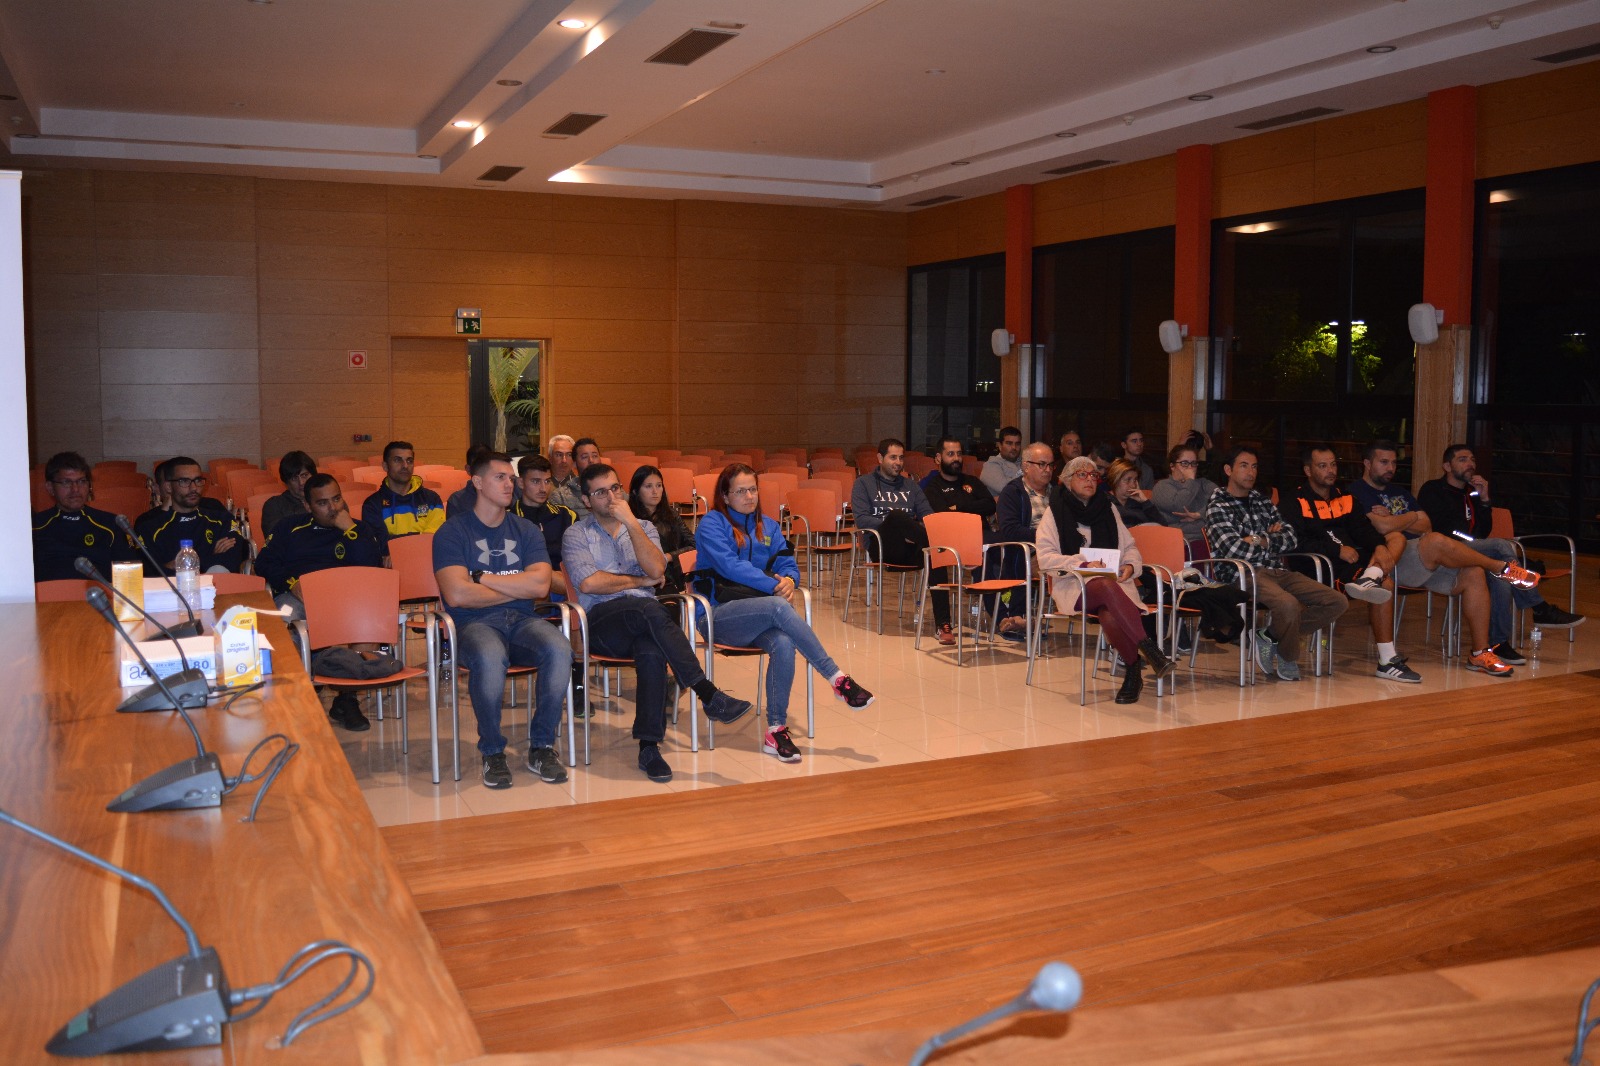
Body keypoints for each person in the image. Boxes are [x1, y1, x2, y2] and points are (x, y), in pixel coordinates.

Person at [563, 463, 752, 783]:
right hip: (602, 623)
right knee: (649, 609)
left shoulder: (644, 527)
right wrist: (638, 581)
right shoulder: (576, 534)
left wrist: (630, 523)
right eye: (600, 492)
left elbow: (657, 571)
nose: (611, 497)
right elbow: (590, 583)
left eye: (615, 488)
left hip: (643, 620)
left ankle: (648, 747)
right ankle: (707, 692)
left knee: (651, 647)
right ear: (586, 500)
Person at [695, 465, 875, 762]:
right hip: (716, 615)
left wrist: (790, 580)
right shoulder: (712, 524)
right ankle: (836, 678)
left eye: (753, 489)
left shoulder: (768, 526)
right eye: (741, 491)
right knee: (779, 605)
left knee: (783, 642)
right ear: (725, 496)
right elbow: (730, 567)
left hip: (759, 614)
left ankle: (775, 730)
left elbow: (787, 563)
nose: (749, 496)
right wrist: (774, 586)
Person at [433, 451, 574, 790]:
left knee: (559, 648)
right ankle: (493, 751)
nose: (510, 484)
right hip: (473, 624)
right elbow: (457, 595)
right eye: (500, 477)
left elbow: (539, 586)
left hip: (523, 620)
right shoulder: (452, 532)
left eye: (511, 478)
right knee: (489, 655)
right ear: (477, 482)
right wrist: (515, 588)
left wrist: (480, 578)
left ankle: (542, 747)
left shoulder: (526, 530)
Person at [1347, 440, 1538, 677]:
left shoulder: (1400, 492)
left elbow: (1426, 524)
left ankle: (1479, 653)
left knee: (1474, 573)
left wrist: (1399, 518)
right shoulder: (1356, 492)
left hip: (1424, 559)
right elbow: (1382, 526)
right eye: (1384, 462)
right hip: (1392, 560)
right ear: (1367, 463)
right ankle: (1500, 567)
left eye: (1394, 463)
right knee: (1435, 541)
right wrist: (1411, 517)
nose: (1391, 468)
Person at [1417, 444, 1584, 651]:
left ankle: (1499, 644)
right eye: (1462, 459)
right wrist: (1471, 539)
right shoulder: (1433, 489)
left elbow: (1483, 530)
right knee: (1500, 545)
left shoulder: (1472, 493)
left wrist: (1484, 500)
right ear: (1447, 466)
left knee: (1502, 577)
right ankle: (1539, 607)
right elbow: (1443, 529)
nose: (1470, 464)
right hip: (1446, 551)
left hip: (1474, 551)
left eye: (1472, 459)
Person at [1203, 446, 1348, 681]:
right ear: (1228, 470)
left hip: (1278, 570)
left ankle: (1269, 635)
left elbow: (1291, 538)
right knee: (1288, 605)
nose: (1251, 472)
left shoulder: (1262, 501)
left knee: (1337, 601)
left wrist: (1257, 539)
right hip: (1244, 574)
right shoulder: (1218, 505)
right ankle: (1288, 656)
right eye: (1244, 466)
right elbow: (1233, 549)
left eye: (1254, 466)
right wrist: (1270, 538)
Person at [253, 474, 386, 730]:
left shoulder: (358, 529)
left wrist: (350, 530)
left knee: (369, 621)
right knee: (283, 617)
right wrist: (292, 582)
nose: (333, 508)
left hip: (347, 601)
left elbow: (373, 568)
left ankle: (346, 699)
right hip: (298, 597)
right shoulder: (289, 528)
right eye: (323, 503)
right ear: (307, 506)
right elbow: (264, 563)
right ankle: (301, 695)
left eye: (337, 499)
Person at [1039, 456, 1175, 704]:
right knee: (1103, 584)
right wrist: (1082, 564)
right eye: (1082, 475)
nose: (1089, 479)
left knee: (1109, 613)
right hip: (1074, 585)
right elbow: (1045, 558)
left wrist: (1130, 566)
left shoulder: (1108, 508)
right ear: (1067, 481)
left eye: (1093, 475)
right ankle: (1149, 648)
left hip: (1115, 587)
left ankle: (1133, 672)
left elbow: (1130, 547)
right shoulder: (1054, 511)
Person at [1280, 445, 1414, 683]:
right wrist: (1337, 550)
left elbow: (1362, 529)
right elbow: (1294, 542)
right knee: (1386, 585)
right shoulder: (1294, 500)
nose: (1330, 470)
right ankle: (1387, 661)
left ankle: (1371, 575)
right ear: (1308, 470)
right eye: (1323, 466)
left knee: (1395, 538)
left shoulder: (1345, 497)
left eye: (1333, 464)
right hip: (1318, 566)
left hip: (1351, 560)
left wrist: (1379, 546)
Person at [918, 436, 996, 645]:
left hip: (980, 537)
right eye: (950, 454)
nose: (956, 459)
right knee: (936, 555)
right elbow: (943, 515)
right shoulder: (932, 487)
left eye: (959, 454)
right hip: (949, 541)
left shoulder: (972, 482)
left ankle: (1004, 615)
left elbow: (990, 505)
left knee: (1004, 548)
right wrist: (972, 509)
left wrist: (959, 508)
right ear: (938, 458)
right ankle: (943, 623)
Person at [31, 451, 138, 581]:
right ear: (50, 487)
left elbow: (130, 578)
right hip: (46, 594)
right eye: (66, 482)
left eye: (81, 481)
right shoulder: (33, 527)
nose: (75, 489)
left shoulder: (111, 525)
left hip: (98, 594)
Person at [134, 457, 244, 574]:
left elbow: (234, 557)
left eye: (197, 480)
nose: (193, 488)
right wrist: (212, 557)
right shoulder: (150, 528)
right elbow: (146, 571)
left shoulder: (222, 520)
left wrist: (180, 565)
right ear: (168, 487)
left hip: (217, 585)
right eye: (184, 481)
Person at [992, 441, 1058, 638]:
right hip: (1030, 550)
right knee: (1032, 558)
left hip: (1059, 549)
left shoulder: (1058, 494)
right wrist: (1044, 537)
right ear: (1026, 466)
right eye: (1042, 464)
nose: (1048, 470)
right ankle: (1017, 618)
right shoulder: (1013, 492)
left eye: (1051, 465)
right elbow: (1010, 530)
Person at [850, 437, 934, 566]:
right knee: (896, 516)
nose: (898, 462)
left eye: (901, 458)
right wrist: (899, 529)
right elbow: (861, 519)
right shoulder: (863, 483)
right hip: (880, 546)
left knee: (933, 555)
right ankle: (939, 544)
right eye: (893, 457)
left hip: (911, 545)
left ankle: (936, 549)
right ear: (880, 458)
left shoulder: (911, 486)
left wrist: (911, 530)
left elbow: (928, 515)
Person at [510, 454, 577, 599]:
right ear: (521, 482)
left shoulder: (566, 515)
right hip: (526, 590)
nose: (543, 488)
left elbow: (577, 562)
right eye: (535, 481)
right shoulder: (509, 519)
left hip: (566, 588)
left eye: (547, 481)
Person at [362, 439, 446, 553]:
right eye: (398, 460)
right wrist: (420, 535)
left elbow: (435, 539)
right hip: (391, 563)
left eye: (409, 461)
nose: (405, 465)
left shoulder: (432, 499)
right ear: (385, 466)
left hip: (426, 559)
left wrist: (395, 544)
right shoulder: (372, 504)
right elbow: (380, 543)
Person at [628, 464, 696, 594]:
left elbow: (694, 544)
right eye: (648, 486)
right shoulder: (630, 518)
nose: (655, 491)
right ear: (635, 491)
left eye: (659, 486)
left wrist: (668, 557)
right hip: (643, 578)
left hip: (674, 574)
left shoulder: (671, 514)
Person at [1151, 443, 1217, 556]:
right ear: (1172, 466)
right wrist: (1190, 480)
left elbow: (1221, 501)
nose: (1190, 468)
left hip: (1209, 538)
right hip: (1181, 541)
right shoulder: (1162, 486)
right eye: (1184, 463)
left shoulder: (1203, 484)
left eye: (1193, 463)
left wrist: (1199, 514)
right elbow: (1179, 506)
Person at [260, 450, 317, 533]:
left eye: (304, 475)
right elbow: (275, 537)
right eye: (294, 478)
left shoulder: (326, 500)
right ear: (286, 482)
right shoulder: (274, 506)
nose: (301, 482)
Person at [1106, 458, 1165, 528]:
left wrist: (1145, 502)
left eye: (1135, 480)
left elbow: (1163, 525)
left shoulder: (1137, 502)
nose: (1133, 485)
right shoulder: (1105, 501)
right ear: (1115, 480)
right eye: (1128, 480)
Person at [546, 434, 586, 517]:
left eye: (569, 455)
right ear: (550, 457)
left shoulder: (580, 484)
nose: (564, 460)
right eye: (559, 455)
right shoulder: (542, 483)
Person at [978, 426, 1023, 496]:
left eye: (1017, 444)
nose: (1014, 447)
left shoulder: (1025, 462)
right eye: (1009, 443)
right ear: (1000, 446)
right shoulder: (991, 465)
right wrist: (1024, 473)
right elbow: (1006, 489)